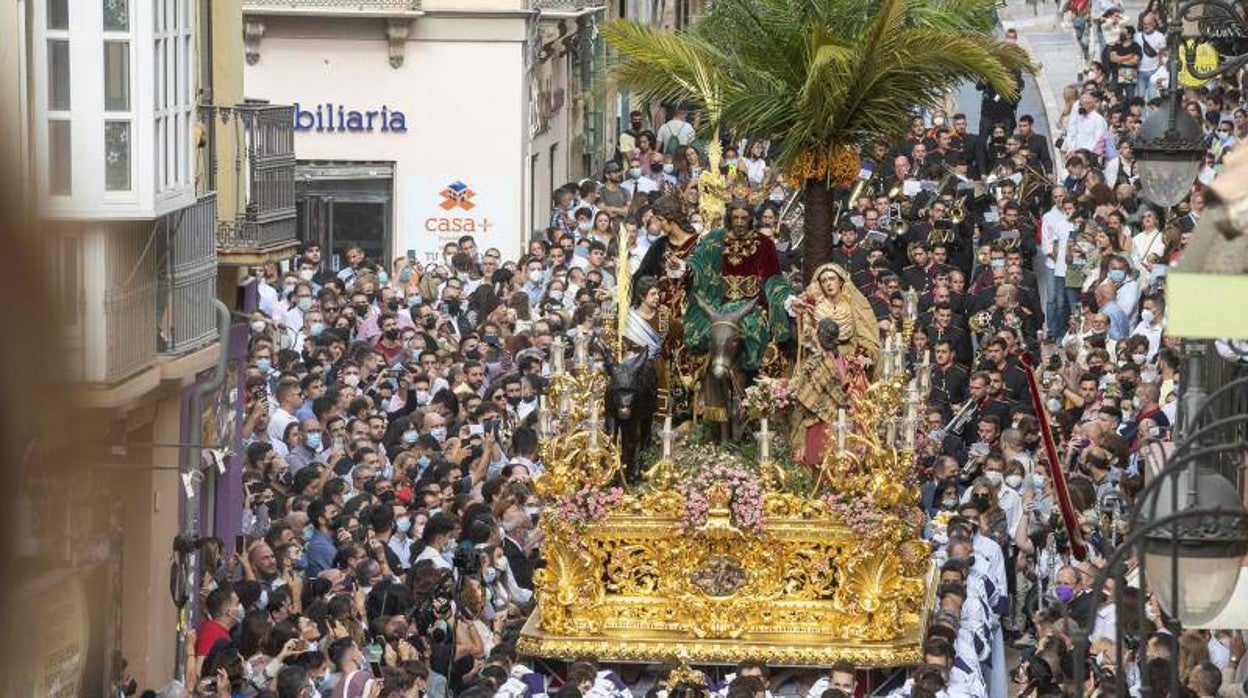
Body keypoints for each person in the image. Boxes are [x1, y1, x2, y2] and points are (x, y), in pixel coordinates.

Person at [683, 200, 797, 373]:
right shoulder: (714, 239)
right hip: (717, 304)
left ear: (751, 218)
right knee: (701, 338)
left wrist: (786, 298)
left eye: (744, 217)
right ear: (729, 217)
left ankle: (751, 381)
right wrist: (682, 267)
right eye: (735, 217)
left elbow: (774, 278)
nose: (739, 222)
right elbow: (697, 261)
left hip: (751, 308)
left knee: (751, 335)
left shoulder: (764, 244)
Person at [789, 319, 869, 467]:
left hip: (821, 421)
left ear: (819, 336)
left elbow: (800, 391)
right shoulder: (843, 359)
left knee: (822, 466)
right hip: (841, 419)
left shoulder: (817, 362)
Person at [797, 263, 881, 372]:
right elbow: (806, 337)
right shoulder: (814, 308)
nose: (828, 284)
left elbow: (866, 336)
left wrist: (862, 355)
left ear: (841, 281)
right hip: (822, 363)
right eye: (824, 281)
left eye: (832, 279)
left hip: (850, 362)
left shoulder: (852, 306)